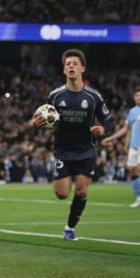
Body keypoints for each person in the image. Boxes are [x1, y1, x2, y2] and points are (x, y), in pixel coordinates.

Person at [32, 49, 114, 241]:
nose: (71, 66)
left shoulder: (94, 97)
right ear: (64, 69)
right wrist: (38, 124)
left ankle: (70, 228)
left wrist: (102, 129)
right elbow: (44, 118)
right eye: (68, 64)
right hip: (63, 151)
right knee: (61, 194)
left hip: (86, 151)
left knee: (82, 191)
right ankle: (69, 217)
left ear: (82, 68)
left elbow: (108, 122)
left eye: (75, 63)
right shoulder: (55, 96)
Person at [101, 88, 140, 207]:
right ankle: (139, 198)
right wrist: (110, 138)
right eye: (136, 95)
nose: (138, 97)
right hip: (134, 145)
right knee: (133, 172)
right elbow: (125, 129)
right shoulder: (132, 111)